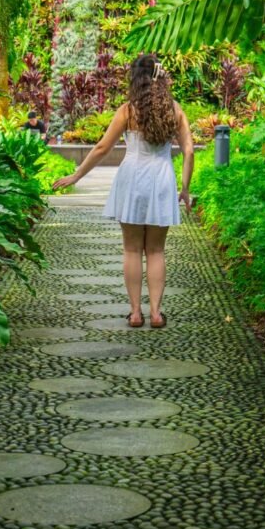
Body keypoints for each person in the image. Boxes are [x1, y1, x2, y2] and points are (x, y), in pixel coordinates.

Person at [52, 54, 194, 329]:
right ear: (159, 76)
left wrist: (77, 175)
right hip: (161, 178)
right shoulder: (174, 110)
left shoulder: (128, 110)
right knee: (155, 250)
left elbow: (102, 148)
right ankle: (155, 313)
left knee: (131, 249)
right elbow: (188, 151)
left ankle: (135, 313)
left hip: (132, 178)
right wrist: (185, 188)